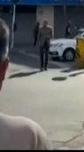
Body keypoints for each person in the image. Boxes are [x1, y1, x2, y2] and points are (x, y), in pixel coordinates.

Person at [0, 19, 51, 149]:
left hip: (46, 44)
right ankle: (42, 66)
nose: (43, 25)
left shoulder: (48, 29)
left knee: (45, 58)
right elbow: (38, 35)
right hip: (42, 44)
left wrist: (47, 41)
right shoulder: (30, 137)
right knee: (42, 57)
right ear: (4, 69)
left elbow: (50, 36)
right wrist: (38, 42)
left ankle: (44, 66)